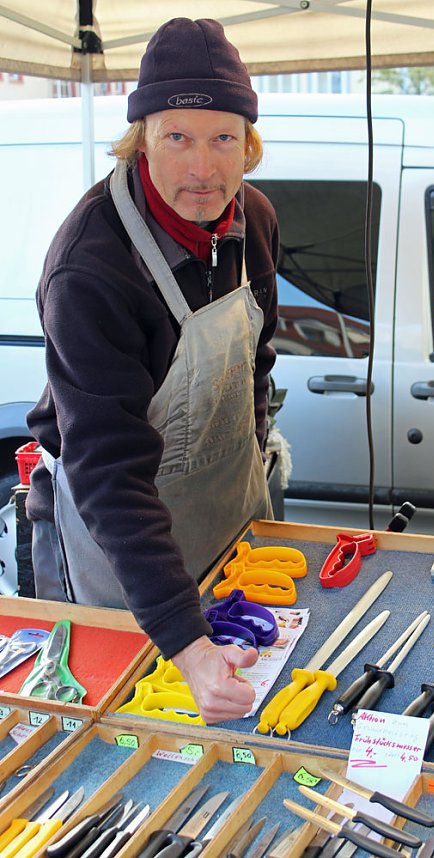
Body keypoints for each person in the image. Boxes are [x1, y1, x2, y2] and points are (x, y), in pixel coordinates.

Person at [25, 18, 279, 723]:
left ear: (248, 144)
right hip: (121, 538)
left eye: (224, 138)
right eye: (178, 138)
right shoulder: (91, 267)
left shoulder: (255, 218)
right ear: (141, 139)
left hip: (230, 512)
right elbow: (108, 467)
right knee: (132, 730)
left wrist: (253, 457)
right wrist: (186, 642)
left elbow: (256, 363)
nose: (204, 169)